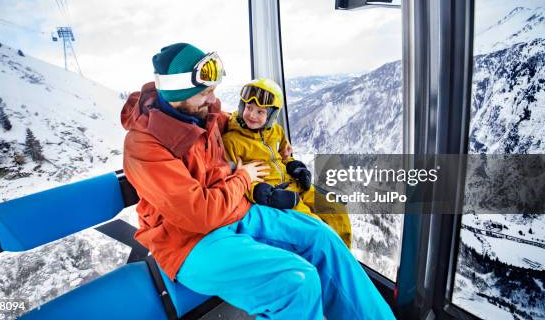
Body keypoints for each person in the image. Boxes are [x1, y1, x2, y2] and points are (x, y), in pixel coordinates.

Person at [121, 42, 395, 319]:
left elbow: (248, 125)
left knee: (322, 237)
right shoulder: (145, 145)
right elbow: (199, 214)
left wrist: (282, 150)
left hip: (236, 212)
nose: (212, 99)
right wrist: (243, 178)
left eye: (214, 90)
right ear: (178, 93)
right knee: (295, 283)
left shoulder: (205, 114)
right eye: (205, 92)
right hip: (189, 241)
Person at [221, 78, 353, 247]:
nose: (252, 115)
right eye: (248, 108)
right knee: (318, 228)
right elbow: (233, 178)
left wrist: (295, 167)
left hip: (293, 184)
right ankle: (331, 260)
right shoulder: (232, 141)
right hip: (276, 195)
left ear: (271, 115)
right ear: (242, 106)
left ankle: (344, 258)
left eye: (260, 112)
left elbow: (284, 156)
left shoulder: (276, 131)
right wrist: (265, 194)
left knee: (336, 209)